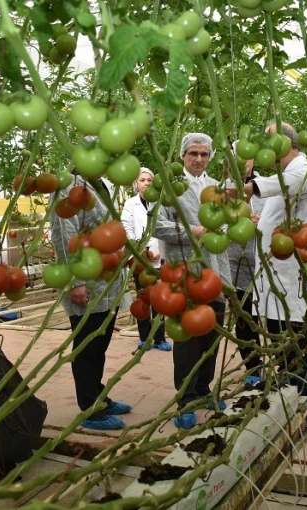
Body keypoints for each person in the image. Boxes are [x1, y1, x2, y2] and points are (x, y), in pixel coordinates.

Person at [233, 122, 307, 440]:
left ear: (285, 144)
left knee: (300, 351)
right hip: (278, 282)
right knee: (284, 351)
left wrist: (247, 187)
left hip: (294, 281)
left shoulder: (304, 169)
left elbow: (287, 182)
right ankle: (291, 410)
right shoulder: (288, 176)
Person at [154, 133, 232, 430]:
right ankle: (185, 397)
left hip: (214, 272)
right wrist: (193, 232)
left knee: (211, 334)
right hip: (183, 273)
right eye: (193, 154)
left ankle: (202, 389)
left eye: (204, 154)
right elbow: (157, 226)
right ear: (182, 156)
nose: (198, 159)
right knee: (187, 338)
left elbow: (225, 225)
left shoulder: (216, 187)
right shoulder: (169, 187)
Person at [49, 172, 133, 430]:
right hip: (86, 279)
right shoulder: (67, 187)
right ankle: (89, 408)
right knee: (87, 345)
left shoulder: (101, 184)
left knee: (100, 342)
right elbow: (63, 235)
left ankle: (98, 397)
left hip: (106, 278)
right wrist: (76, 281)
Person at [226, 152, 266, 385]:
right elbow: (213, 224)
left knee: (272, 316)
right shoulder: (220, 190)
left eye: (247, 157)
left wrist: (264, 221)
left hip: (264, 262)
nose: (243, 162)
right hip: (235, 263)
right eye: (238, 156)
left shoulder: (267, 186)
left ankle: (279, 361)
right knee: (243, 319)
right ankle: (253, 368)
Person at [121, 168, 170, 351]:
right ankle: (144, 338)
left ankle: (160, 338)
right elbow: (126, 228)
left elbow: (164, 227)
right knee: (142, 298)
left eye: (150, 180)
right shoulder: (130, 204)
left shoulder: (160, 203)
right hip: (139, 260)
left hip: (158, 259)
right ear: (136, 184)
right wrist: (141, 251)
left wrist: (157, 250)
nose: (147, 183)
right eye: (142, 180)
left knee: (158, 298)